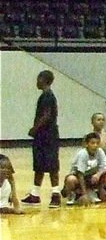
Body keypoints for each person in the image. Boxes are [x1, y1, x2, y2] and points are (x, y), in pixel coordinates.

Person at [21, 69, 62, 207]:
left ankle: (55, 195)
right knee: (38, 164)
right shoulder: (45, 95)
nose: (36, 82)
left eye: (38, 79)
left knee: (52, 165)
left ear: (43, 79)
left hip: (48, 135)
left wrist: (34, 128)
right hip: (42, 135)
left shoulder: (48, 96)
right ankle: (35, 194)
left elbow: (46, 115)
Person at [62, 132, 106, 204]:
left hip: (92, 178)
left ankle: (99, 192)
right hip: (79, 178)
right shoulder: (82, 154)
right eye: (92, 143)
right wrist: (84, 194)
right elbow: (80, 174)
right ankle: (73, 194)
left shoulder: (100, 151)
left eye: (97, 143)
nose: (95, 145)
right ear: (87, 144)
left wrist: (98, 175)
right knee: (70, 179)